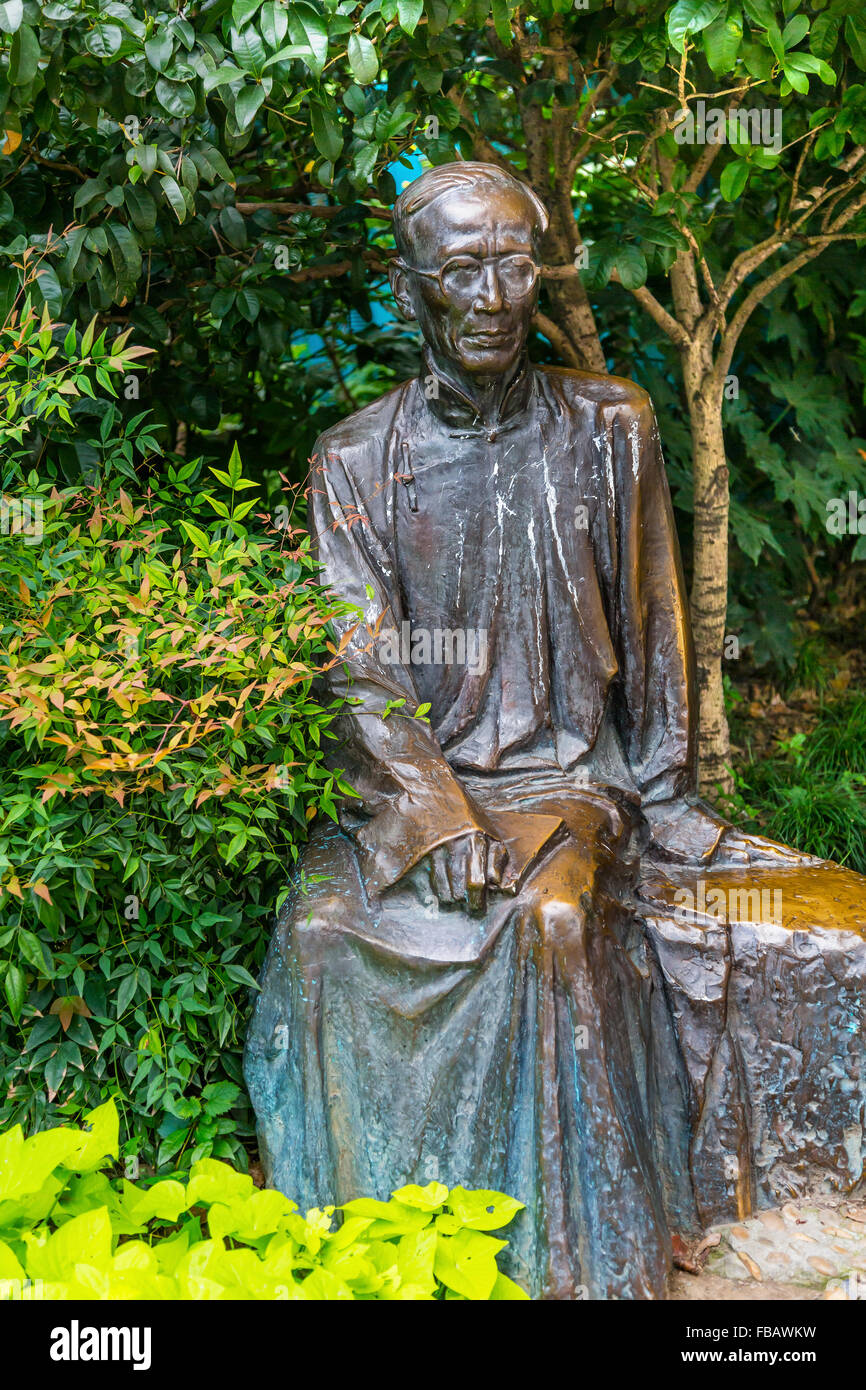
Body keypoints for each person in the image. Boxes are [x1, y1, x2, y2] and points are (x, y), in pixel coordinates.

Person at [245, 163, 866, 1300]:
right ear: (408, 288)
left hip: (567, 781)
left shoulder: (608, 427)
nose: (490, 296)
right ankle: (349, 1247)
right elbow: (360, 668)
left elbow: (651, 616)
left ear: (538, 276)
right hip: (413, 796)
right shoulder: (353, 460)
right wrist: (434, 822)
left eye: (512, 265)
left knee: (553, 920)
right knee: (321, 937)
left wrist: (662, 793)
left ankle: (578, 1259)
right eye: (459, 270)